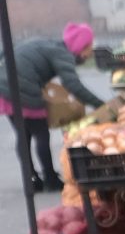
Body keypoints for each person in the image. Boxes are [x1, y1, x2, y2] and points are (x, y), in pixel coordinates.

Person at [5, 23, 99, 192]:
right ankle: (50, 179)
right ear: (80, 46)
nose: (89, 53)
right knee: (41, 133)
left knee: (23, 134)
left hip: (4, 86)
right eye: (89, 48)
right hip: (23, 89)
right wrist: (100, 104)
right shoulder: (62, 53)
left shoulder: (49, 44)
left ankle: (31, 179)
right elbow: (73, 85)